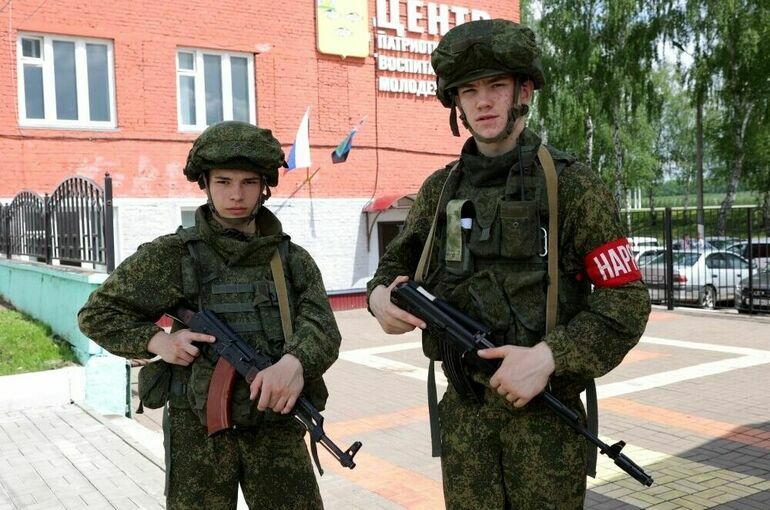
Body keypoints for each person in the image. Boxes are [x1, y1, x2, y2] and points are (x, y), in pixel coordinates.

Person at [367, 19, 651, 510]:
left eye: (496, 85)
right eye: (469, 90)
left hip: (544, 424)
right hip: (464, 419)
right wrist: (378, 300)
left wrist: (549, 357)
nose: (483, 102)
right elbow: (390, 267)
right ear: (455, 102)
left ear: (524, 90)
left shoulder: (572, 186)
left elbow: (626, 301)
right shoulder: (441, 190)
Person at [78, 121, 341, 510]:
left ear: (265, 186)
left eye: (249, 182)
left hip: (274, 427)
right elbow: (98, 313)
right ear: (204, 183)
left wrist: (295, 362)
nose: (236, 195)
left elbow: (323, 328)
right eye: (223, 182)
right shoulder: (173, 255)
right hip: (197, 429)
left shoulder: (291, 260)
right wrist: (160, 341)